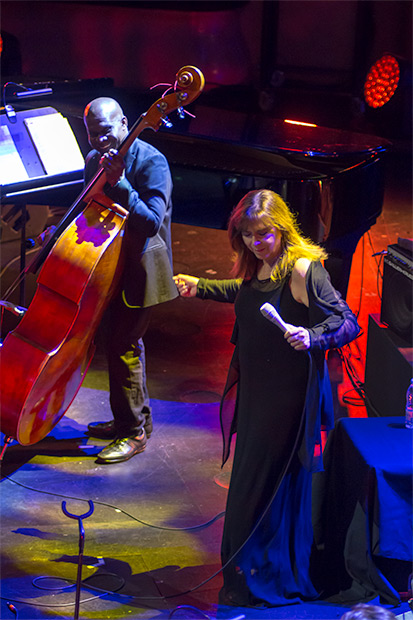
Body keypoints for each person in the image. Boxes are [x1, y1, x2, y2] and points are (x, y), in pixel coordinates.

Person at [173, 189, 360, 607]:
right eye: (247, 235)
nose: (256, 243)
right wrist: (200, 286)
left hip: (287, 400)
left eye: (263, 234)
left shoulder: (303, 270)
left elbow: (348, 323)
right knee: (250, 488)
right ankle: (253, 572)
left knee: (262, 490)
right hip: (259, 393)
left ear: (282, 229)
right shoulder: (260, 266)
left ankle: (266, 578)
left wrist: (311, 335)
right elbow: (245, 293)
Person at [80, 97, 177, 463]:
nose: (100, 142)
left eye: (106, 133)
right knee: (119, 344)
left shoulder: (152, 162)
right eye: (92, 135)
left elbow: (152, 221)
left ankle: (133, 432)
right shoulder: (94, 161)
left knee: (123, 346)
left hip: (141, 270)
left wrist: (120, 184)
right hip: (108, 266)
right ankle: (132, 420)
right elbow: (91, 210)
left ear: (124, 123)